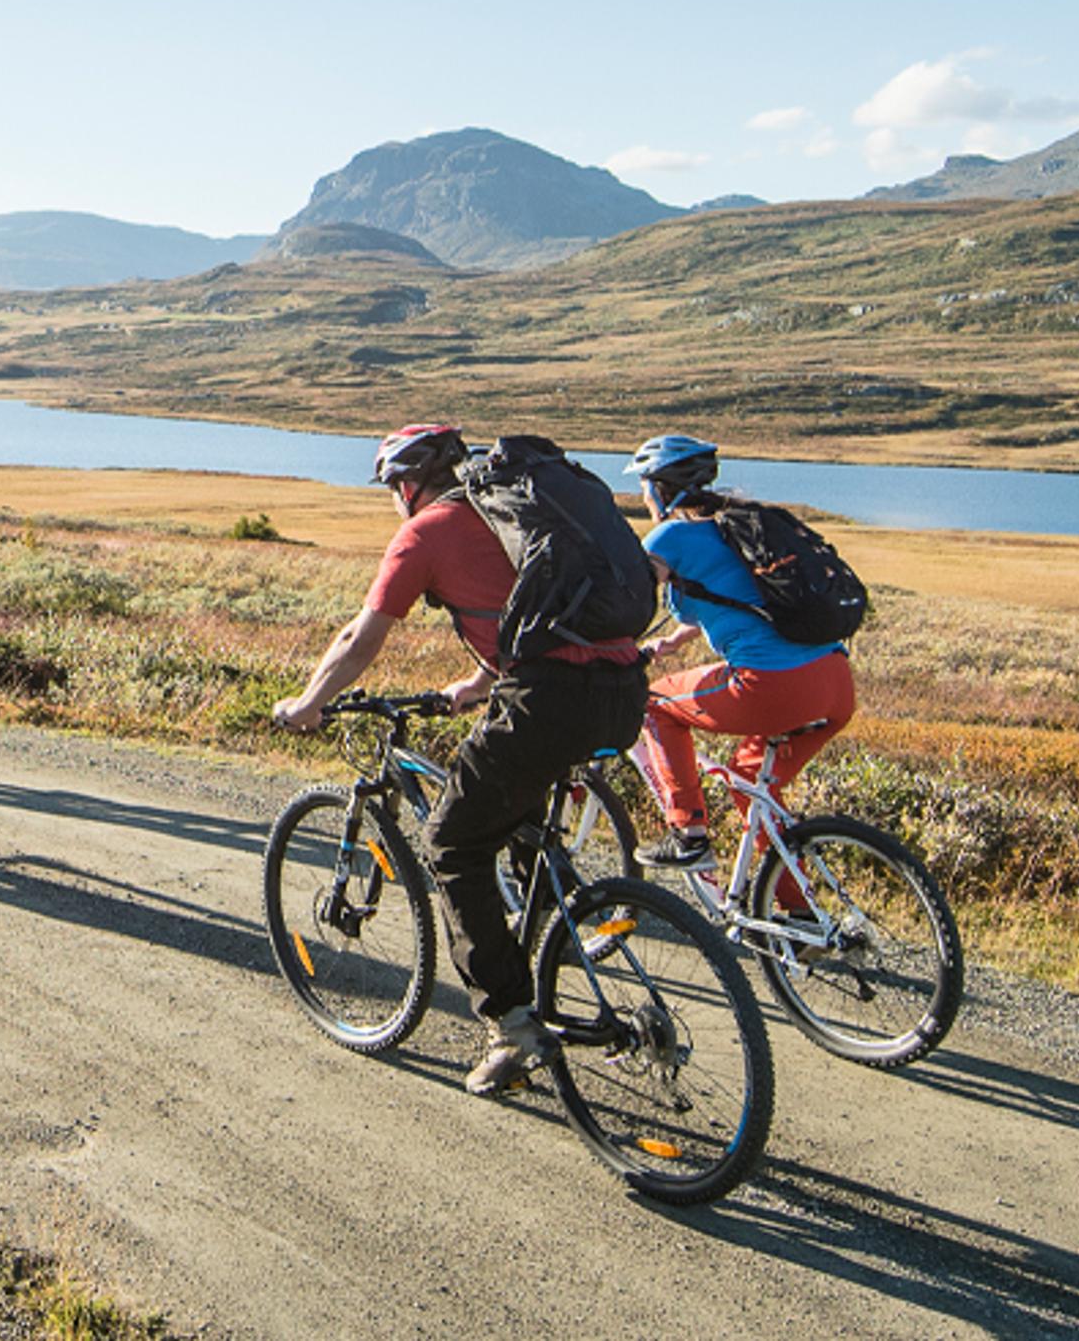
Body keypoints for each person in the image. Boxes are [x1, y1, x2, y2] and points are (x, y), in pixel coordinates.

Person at [273, 424, 649, 1097]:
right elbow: (530, 612)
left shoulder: (425, 531)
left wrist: (309, 702)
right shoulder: (517, 511)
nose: (394, 498)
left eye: (393, 486)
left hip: (549, 700)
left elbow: (361, 637)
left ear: (407, 483)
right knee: (518, 823)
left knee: (451, 842)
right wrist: (476, 687)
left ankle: (511, 1024)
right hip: (621, 693)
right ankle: (547, 942)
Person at [627, 433, 857, 866]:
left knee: (655, 704)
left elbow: (625, 602)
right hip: (834, 682)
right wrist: (675, 641)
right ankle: (797, 916)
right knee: (749, 781)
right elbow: (736, 599)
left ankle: (688, 834)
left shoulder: (669, 537)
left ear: (660, 488)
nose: (644, 499)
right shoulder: (739, 526)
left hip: (772, 686)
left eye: (645, 488)